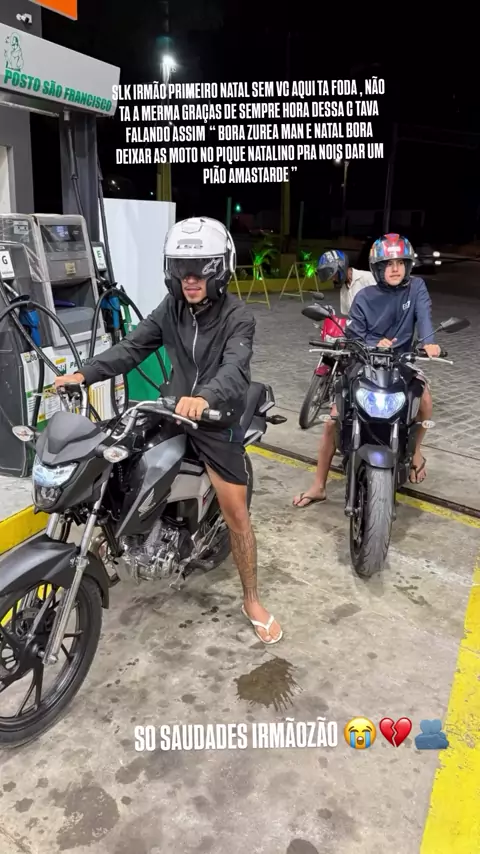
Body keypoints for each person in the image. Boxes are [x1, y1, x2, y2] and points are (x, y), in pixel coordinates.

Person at [55, 216, 282, 645]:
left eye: (201, 269)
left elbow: (235, 369)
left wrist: (206, 397)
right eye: (181, 268)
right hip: (171, 407)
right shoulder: (170, 309)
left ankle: (252, 598)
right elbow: (132, 347)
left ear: (221, 269)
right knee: (118, 462)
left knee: (237, 514)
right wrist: (84, 374)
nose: (190, 278)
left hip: (216, 419)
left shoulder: (238, 317)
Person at [293, 233, 440, 508]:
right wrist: (373, 343)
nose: (395, 268)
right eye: (388, 263)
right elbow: (354, 333)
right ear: (378, 267)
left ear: (408, 265)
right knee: (332, 420)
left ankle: (417, 452)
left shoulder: (416, 288)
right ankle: (318, 485)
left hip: (401, 361)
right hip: (363, 361)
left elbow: (424, 316)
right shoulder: (364, 296)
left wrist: (429, 342)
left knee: (425, 402)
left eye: (400, 262)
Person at [316, 249, 376, 316]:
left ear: (341, 267)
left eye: (334, 275)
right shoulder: (343, 291)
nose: (333, 279)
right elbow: (349, 316)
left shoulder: (367, 278)